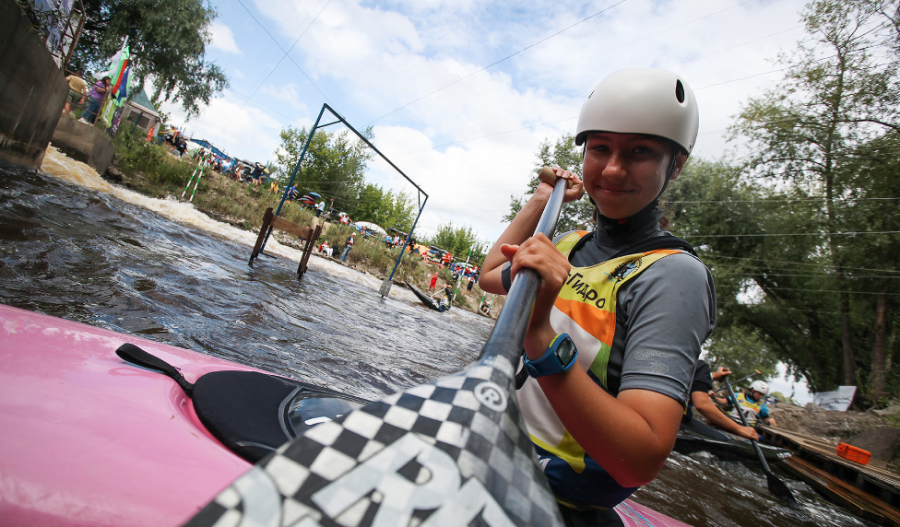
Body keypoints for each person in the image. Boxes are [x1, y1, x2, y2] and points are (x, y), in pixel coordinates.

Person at [479, 69, 714, 522]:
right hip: (486, 457)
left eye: (639, 151)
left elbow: (641, 458)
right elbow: (489, 275)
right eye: (600, 147)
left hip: (552, 504)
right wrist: (540, 199)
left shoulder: (674, 276)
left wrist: (539, 331)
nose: (612, 169)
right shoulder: (570, 243)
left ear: (676, 164)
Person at [681, 362, 759, 441]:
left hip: (675, 418)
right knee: (725, 439)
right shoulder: (698, 365)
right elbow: (702, 405)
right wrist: (738, 428)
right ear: (752, 391)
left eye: (762, 395)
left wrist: (713, 376)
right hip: (680, 420)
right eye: (759, 394)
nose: (761, 396)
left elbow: (688, 376)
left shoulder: (677, 362)